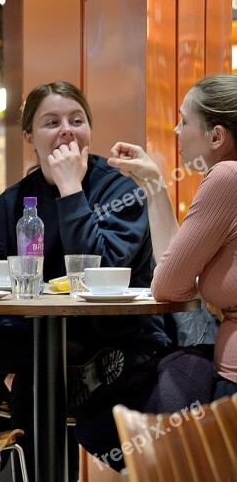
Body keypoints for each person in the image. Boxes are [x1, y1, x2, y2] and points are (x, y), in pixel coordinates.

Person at [0, 81, 171, 476]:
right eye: (52, 122)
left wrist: (70, 189)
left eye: (77, 120)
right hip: (38, 351)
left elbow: (98, 272)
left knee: (44, 385)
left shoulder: (119, 190)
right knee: (1, 374)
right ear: (29, 137)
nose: (67, 130)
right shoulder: (13, 203)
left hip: (119, 345)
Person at [108, 73, 237, 402]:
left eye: (183, 121)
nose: (177, 131)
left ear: (216, 136)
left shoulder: (226, 177)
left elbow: (167, 285)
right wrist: (153, 183)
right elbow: (175, 276)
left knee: (117, 414)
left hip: (232, 383)